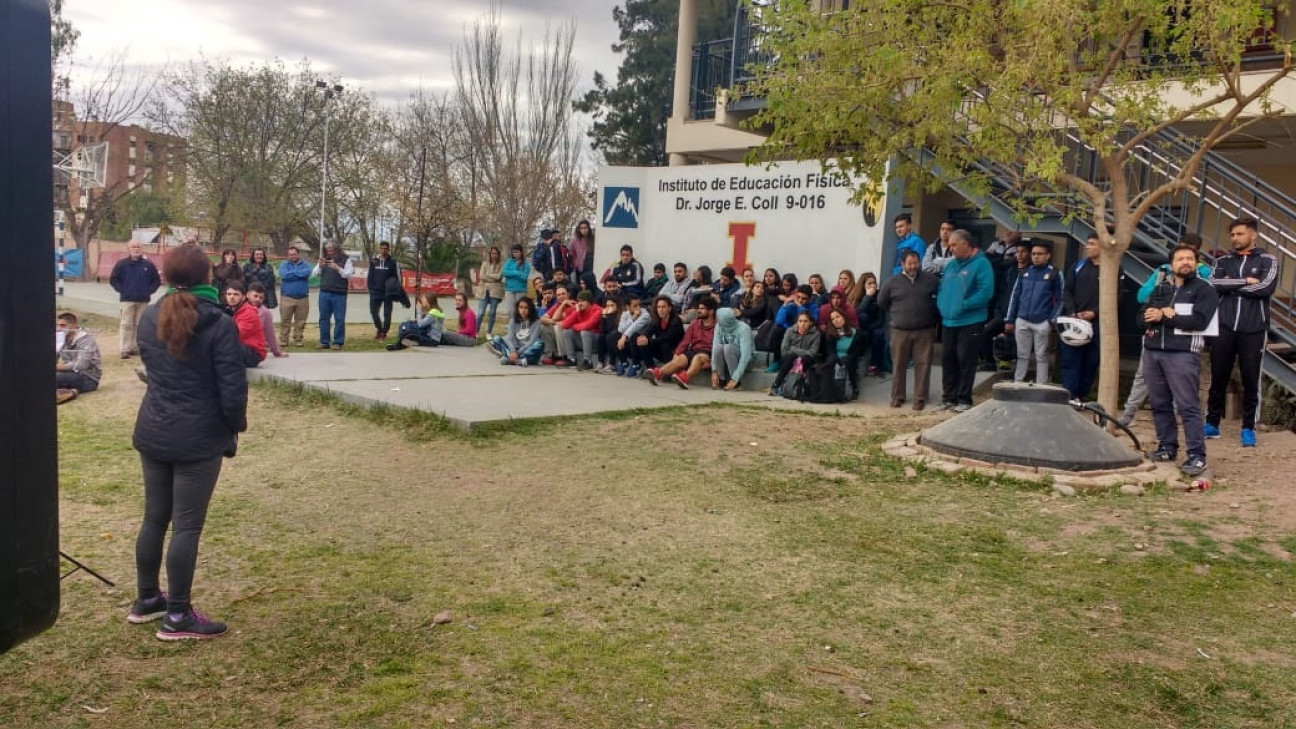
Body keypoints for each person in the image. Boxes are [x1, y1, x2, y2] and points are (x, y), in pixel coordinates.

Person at [129, 243, 247, 640]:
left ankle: (147, 598)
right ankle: (176, 615)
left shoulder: (149, 316)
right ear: (208, 276)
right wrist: (233, 429)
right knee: (186, 525)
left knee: (154, 518)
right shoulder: (218, 322)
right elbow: (233, 389)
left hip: (156, 428)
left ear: (165, 276)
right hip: (196, 436)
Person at [1141, 244, 1220, 476]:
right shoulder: (1159, 289)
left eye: (1190, 258)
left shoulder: (1205, 290)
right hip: (1153, 352)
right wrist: (1153, 316)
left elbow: (1199, 322)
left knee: (1188, 406)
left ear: (1196, 263)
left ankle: (1196, 455)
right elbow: (1141, 317)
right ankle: (1167, 447)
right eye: (1180, 259)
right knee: (1159, 404)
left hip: (1183, 355)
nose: (1185, 262)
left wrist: (1164, 317)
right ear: (1171, 264)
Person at [1119, 233, 1213, 426]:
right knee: (1143, 379)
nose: (1184, 260)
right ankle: (1128, 416)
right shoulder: (1162, 272)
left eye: (1189, 255)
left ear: (1197, 255)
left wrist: (1170, 313)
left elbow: (1200, 316)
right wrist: (1159, 308)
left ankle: (1183, 426)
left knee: (1183, 389)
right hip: (1155, 338)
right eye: (1179, 255)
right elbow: (1142, 297)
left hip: (1183, 342)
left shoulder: (1206, 277)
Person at [1205, 216, 1279, 447]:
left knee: (1250, 378)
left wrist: (1233, 285)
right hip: (1224, 326)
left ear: (1253, 235)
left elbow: (1266, 287)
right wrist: (1245, 281)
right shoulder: (1224, 260)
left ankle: (1248, 427)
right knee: (1218, 376)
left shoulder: (1268, 259)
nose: (1235, 238)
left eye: (1240, 234)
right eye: (1233, 235)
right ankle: (1212, 423)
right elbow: (1214, 283)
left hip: (1253, 328)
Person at [935, 229, 994, 412]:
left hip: (970, 321)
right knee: (948, 359)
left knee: (966, 360)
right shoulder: (951, 265)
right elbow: (943, 288)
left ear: (966, 244)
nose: (950, 249)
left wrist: (964, 304)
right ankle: (948, 398)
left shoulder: (982, 264)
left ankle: (964, 400)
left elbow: (986, 292)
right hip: (949, 321)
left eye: (953, 245)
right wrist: (942, 304)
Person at [879, 250, 939, 409]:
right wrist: (897, 315)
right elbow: (882, 302)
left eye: (915, 263)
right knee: (899, 364)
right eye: (910, 263)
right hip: (900, 330)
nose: (913, 267)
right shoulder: (892, 282)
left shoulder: (930, 280)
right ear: (902, 264)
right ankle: (897, 396)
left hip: (924, 330)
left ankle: (920, 397)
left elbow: (938, 299)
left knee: (923, 364)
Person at [1003, 241, 1062, 384]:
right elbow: (1015, 297)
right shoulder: (1024, 272)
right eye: (1034, 254)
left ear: (1048, 255)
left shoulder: (1054, 273)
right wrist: (1010, 319)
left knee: (1041, 355)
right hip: (1022, 319)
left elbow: (1061, 299)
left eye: (1039, 254)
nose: (1036, 257)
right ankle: (1018, 381)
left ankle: (1041, 384)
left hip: (1042, 320)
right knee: (1022, 354)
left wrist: (1051, 320)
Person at [1060, 235, 1102, 402]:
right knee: (1071, 361)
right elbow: (1067, 290)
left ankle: (1081, 395)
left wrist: (1095, 313)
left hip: (1097, 324)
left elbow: (1117, 297)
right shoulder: (1078, 266)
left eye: (1092, 244)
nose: (1087, 247)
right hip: (1074, 321)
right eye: (1087, 243)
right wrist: (1072, 312)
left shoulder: (1113, 269)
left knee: (1090, 362)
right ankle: (1069, 395)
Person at [647, 294, 717, 389]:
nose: (699, 311)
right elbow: (685, 341)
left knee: (698, 358)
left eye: (702, 309)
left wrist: (713, 362)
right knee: (680, 359)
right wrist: (677, 353)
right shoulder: (695, 324)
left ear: (711, 311)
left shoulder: (718, 325)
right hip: (693, 350)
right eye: (699, 308)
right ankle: (658, 374)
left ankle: (685, 378)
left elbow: (719, 345)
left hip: (708, 352)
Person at [109, 241, 161, 359]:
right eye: (134, 247)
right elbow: (114, 279)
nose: (136, 249)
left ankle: (136, 347)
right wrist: (123, 290)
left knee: (140, 324)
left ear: (142, 248)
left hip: (143, 300)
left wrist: (149, 291)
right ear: (129, 249)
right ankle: (125, 349)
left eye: (138, 247)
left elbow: (156, 281)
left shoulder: (148, 265)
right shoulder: (122, 264)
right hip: (127, 299)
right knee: (126, 324)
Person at [769, 311, 823, 397]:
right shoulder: (790, 331)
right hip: (789, 359)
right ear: (797, 322)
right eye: (800, 321)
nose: (802, 324)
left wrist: (794, 349)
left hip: (806, 361)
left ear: (810, 322)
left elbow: (813, 352)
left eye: (805, 321)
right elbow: (784, 351)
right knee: (791, 357)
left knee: (805, 358)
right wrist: (797, 354)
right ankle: (776, 385)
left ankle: (799, 387)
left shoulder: (816, 334)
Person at [313, 243, 354, 349]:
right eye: (328, 250)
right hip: (325, 292)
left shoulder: (346, 260)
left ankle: (338, 342)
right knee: (324, 318)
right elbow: (315, 274)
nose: (330, 252)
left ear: (337, 249)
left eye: (332, 250)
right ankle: (324, 341)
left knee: (339, 319)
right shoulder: (324, 259)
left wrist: (338, 268)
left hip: (339, 294)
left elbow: (349, 274)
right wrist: (320, 266)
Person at [632, 296, 686, 374]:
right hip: (661, 350)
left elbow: (667, 337)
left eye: (663, 307)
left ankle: (670, 371)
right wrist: (643, 337)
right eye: (658, 307)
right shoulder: (657, 320)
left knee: (663, 344)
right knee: (639, 339)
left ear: (669, 308)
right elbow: (648, 331)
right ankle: (651, 369)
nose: (660, 310)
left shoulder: (676, 321)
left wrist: (648, 341)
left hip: (674, 353)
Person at [707, 307, 755, 391]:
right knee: (718, 347)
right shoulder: (719, 326)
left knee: (728, 348)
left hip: (746, 362)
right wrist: (714, 371)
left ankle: (736, 383)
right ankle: (722, 379)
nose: (717, 320)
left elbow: (745, 356)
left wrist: (735, 378)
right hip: (726, 360)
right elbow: (715, 347)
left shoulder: (744, 329)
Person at [55, 312, 102, 396]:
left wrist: (59, 367)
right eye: (57, 325)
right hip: (71, 373)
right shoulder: (62, 338)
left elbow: (82, 365)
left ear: (73, 326)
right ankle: (68, 392)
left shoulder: (86, 339)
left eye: (62, 325)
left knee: (53, 378)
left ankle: (69, 392)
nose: (58, 328)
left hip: (88, 378)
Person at [489, 296, 544, 366]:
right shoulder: (513, 321)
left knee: (539, 343)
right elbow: (510, 338)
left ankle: (510, 359)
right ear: (517, 309)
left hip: (527, 350)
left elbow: (532, 341)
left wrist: (518, 353)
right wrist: (513, 351)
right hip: (515, 349)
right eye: (520, 307)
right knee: (496, 339)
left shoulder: (536, 322)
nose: (523, 310)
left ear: (530, 309)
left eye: (526, 308)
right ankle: (518, 361)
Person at [825, 309, 866, 400]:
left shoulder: (856, 333)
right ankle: (831, 390)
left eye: (838, 317)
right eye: (833, 319)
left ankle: (853, 387)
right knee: (831, 360)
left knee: (847, 361)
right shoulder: (830, 334)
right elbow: (830, 350)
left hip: (850, 358)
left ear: (844, 317)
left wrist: (846, 358)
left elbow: (857, 352)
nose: (835, 320)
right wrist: (835, 358)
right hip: (835, 358)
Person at [852, 274, 888, 376]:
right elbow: (857, 314)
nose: (872, 286)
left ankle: (875, 365)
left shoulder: (879, 296)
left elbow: (881, 320)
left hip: (873, 327)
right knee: (863, 316)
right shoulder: (858, 296)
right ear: (863, 285)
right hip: (860, 327)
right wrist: (867, 297)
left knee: (879, 334)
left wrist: (869, 329)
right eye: (869, 283)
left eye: (874, 283)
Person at [223, 281, 266, 366]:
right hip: (243, 348)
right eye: (229, 294)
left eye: (236, 294)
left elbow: (236, 335)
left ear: (243, 297)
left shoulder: (248, 313)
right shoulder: (234, 310)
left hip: (253, 354)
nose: (231, 297)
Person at [558, 290, 604, 370]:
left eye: (583, 301)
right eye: (578, 301)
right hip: (583, 341)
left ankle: (588, 361)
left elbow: (588, 325)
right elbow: (564, 325)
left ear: (589, 302)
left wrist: (574, 326)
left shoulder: (597, 310)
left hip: (596, 342)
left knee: (585, 332)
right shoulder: (578, 309)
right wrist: (576, 312)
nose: (579, 304)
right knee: (567, 331)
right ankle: (571, 359)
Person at [277, 245, 312, 347]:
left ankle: (298, 339)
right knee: (285, 320)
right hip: (287, 297)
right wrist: (298, 274)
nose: (292, 256)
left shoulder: (306, 265)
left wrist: (292, 274)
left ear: (298, 254)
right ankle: (283, 340)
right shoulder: (283, 265)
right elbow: (284, 275)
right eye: (290, 254)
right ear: (288, 255)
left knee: (300, 321)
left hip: (303, 298)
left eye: (294, 254)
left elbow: (306, 273)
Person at [366, 241, 401, 341]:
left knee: (387, 314)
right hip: (375, 292)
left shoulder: (393, 262)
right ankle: (379, 329)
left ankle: (384, 332)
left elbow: (398, 277)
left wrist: (397, 289)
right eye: (382, 248)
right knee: (373, 312)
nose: (383, 250)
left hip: (388, 293)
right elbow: (370, 276)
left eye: (386, 248)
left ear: (388, 249)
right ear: (379, 249)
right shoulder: (374, 261)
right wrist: (371, 288)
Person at [609, 294, 651, 375]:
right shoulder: (625, 314)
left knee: (634, 334)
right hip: (629, 344)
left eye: (639, 305)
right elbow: (620, 329)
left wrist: (624, 337)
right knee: (614, 335)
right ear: (628, 306)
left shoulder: (645, 314)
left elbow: (635, 327)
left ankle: (636, 364)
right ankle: (624, 362)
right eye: (635, 305)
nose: (638, 307)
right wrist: (633, 317)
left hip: (641, 344)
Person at [247, 283, 286, 358]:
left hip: (254, 349)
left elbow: (270, 334)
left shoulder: (265, 313)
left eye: (261, 298)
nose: (258, 299)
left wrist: (276, 352)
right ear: (248, 295)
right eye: (255, 296)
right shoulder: (240, 308)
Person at [539, 286, 577, 364]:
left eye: (563, 294)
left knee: (558, 327)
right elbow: (542, 319)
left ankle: (564, 356)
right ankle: (553, 355)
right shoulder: (556, 306)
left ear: (568, 295)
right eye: (559, 295)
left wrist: (563, 304)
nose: (561, 296)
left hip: (572, 333)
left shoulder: (573, 305)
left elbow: (556, 318)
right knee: (543, 327)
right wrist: (562, 305)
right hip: (560, 332)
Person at [474, 246, 504, 338]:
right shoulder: (484, 264)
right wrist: (493, 278)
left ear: (498, 255)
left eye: (496, 253)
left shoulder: (501, 265)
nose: (494, 255)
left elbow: (499, 277)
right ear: (490, 254)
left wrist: (488, 276)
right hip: (484, 290)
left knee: (492, 313)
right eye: (492, 253)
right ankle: (476, 332)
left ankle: (489, 332)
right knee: (480, 313)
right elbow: (482, 276)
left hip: (495, 291)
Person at [501, 243, 532, 317]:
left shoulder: (526, 264)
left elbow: (524, 277)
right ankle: (512, 325)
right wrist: (516, 272)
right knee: (510, 310)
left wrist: (511, 274)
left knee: (521, 311)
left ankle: (521, 326)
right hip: (509, 289)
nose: (515, 254)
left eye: (517, 252)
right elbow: (504, 272)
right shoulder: (509, 262)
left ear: (521, 252)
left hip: (521, 290)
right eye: (513, 252)